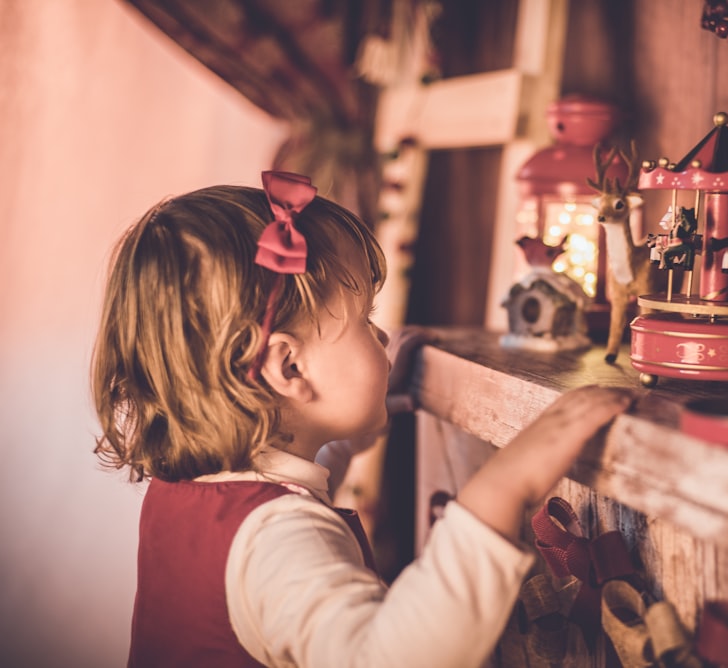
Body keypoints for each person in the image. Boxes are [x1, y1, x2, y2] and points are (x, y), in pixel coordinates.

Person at [91, 171, 633, 667]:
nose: (381, 337)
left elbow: (301, 462)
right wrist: (504, 485)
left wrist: (375, 404)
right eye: (365, 319)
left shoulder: (183, 493)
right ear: (289, 365)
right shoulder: (281, 537)